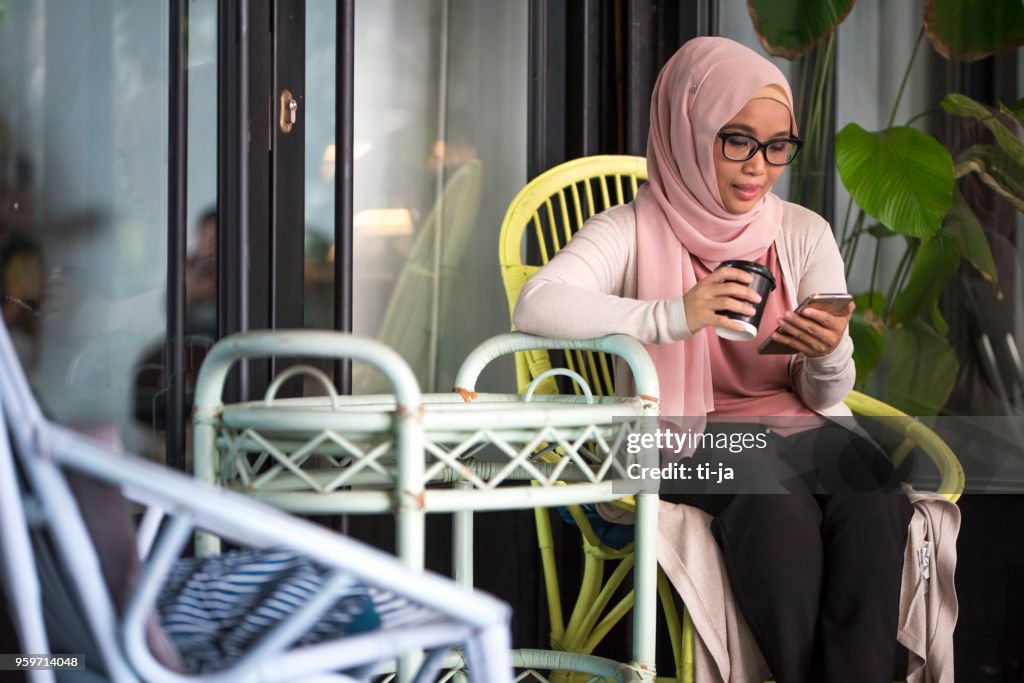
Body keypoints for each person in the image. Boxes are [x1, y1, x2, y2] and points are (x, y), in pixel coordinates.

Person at [513, 37, 915, 682]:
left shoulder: (801, 232)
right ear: (689, 130)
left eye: (777, 146)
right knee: (772, 498)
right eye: (737, 140)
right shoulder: (629, 229)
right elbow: (537, 304)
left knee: (874, 492)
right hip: (674, 439)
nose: (758, 166)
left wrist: (828, 352)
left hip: (796, 427)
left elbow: (824, 395)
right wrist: (674, 314)